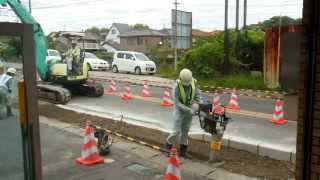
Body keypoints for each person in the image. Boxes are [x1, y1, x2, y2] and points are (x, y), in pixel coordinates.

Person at [165, 68, 201, 158]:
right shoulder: (176, 85)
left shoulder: (194, 82)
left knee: (186, 130)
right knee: (176, 131)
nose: (186, 85)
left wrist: (196, 104)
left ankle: (183, 151)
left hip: (190, 108)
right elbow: (176, 102)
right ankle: (168, 145)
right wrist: (189, 110)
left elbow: (197, 95)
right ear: (180, 79)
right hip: (179, 109)